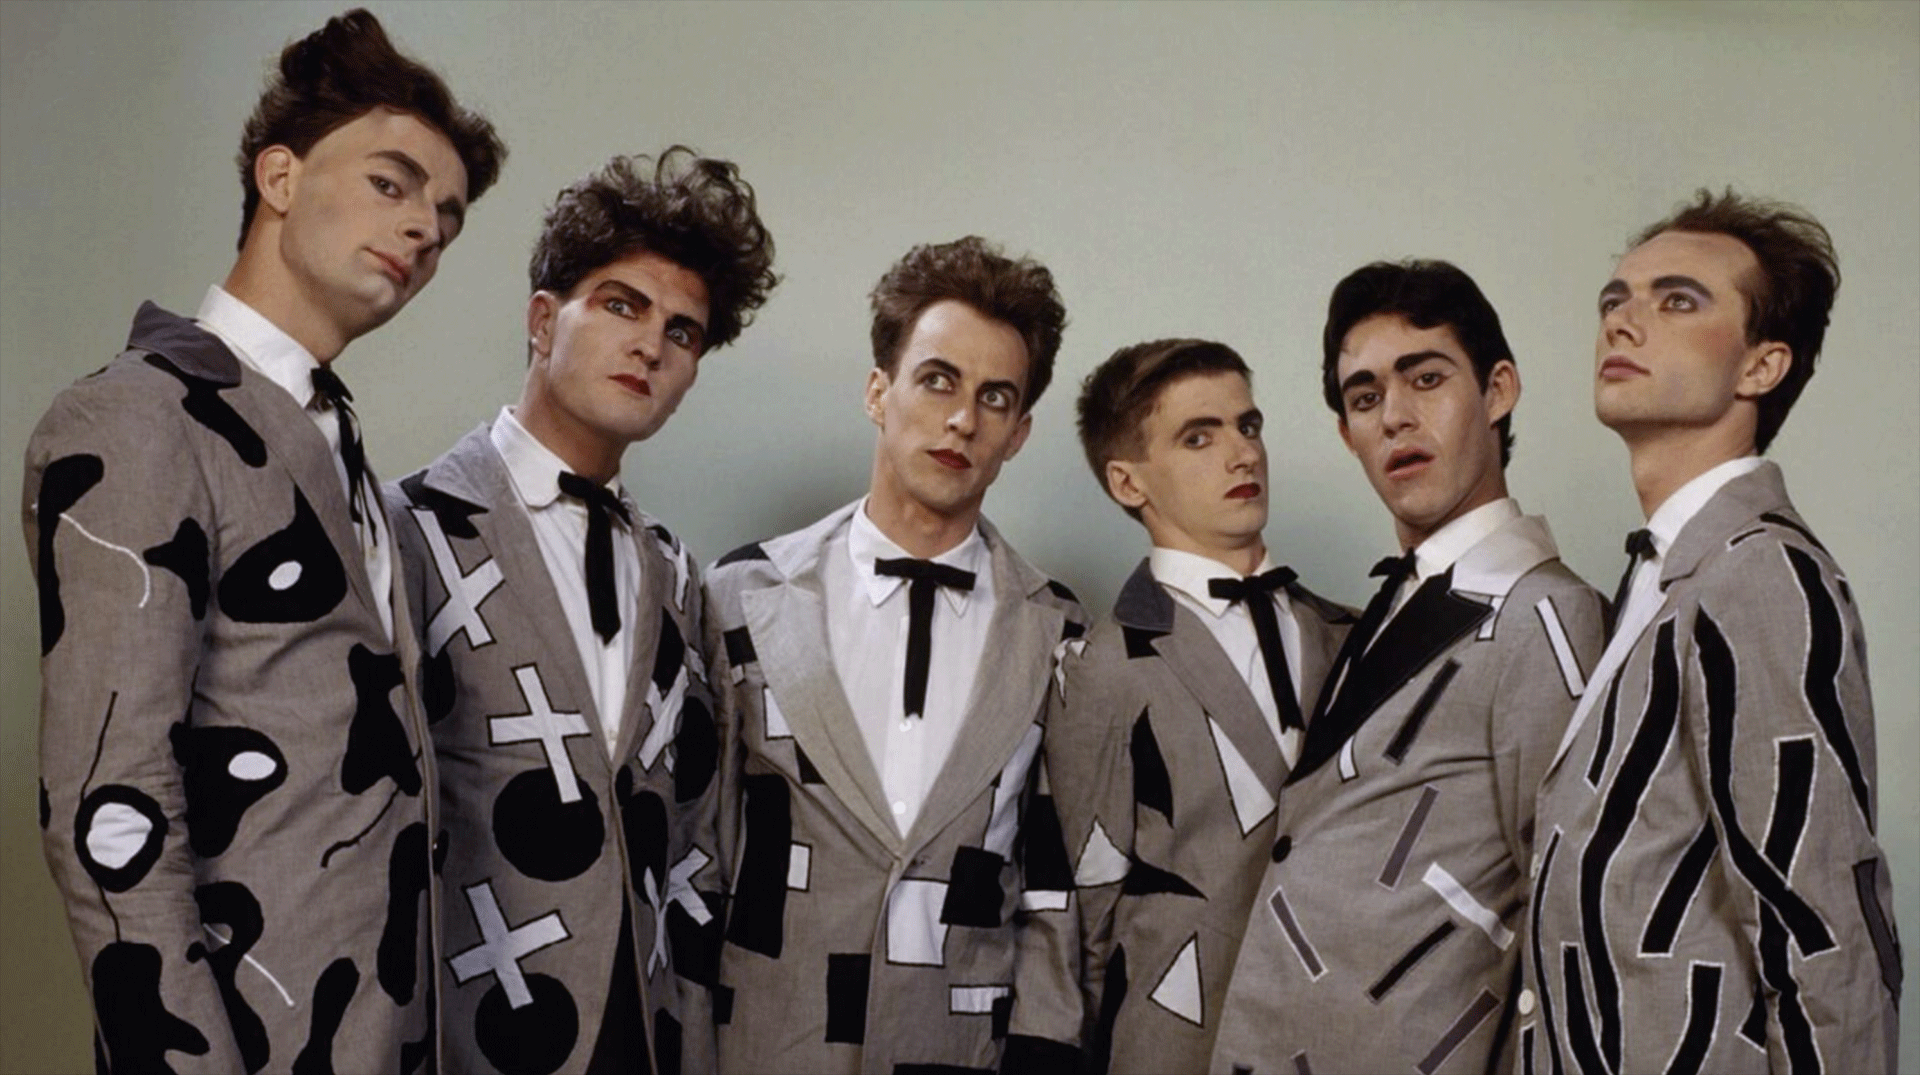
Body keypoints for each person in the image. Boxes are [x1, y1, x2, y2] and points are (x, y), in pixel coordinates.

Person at [21, 9, 504, 1073]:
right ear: (278, 178)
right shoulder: (138, 417)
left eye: (449, 215)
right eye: (393, 182)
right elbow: (111, 811)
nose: (426, 226)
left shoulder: (349, 458)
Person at [386, 148, 776, 1075]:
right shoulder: (404, 531)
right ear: (541, 320)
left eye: (683, 332)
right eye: (620, 304)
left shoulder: (678, 575)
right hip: (454, 1029)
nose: (650, 344)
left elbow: (690, 826)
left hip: (635, 1034)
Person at [691, 236, 1086, 1073]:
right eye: (937, 380)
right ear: (880, 391)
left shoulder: (1057, 631)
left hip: (958, 1049)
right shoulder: (744, 595)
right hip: (762, 1045)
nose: (961, 420)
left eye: (994, 397)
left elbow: (1055, 889)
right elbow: (696, 850)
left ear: (1018, 433)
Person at [1526, 190, 1899, 1074]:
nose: (1624, 321)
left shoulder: (1762, 575)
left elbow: (1824, 931)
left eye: (1677, 300)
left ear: (1762, 365)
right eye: (1615, 299)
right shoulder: (1660, 578)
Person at [1208, 260, 1604, 1074]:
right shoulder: (1388, 603)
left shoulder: (1547, 617)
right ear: (1347, 431)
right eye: (1364, 397)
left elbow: (1568, 915)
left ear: (1498, 391)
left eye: (1426, 378)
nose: (1395, 416)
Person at [1007, 338, 1355, 1072]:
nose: (1242, 454)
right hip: (1171, 1046)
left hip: (1343, 1039)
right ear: (1129, 481)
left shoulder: (1355, 634)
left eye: (1247, 425)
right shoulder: (1100, 668)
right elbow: (1079, 912)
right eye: (1200, 436)